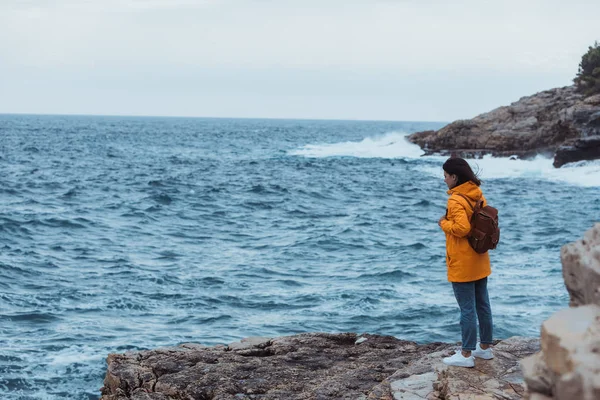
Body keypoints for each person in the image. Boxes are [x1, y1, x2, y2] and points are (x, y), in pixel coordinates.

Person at [438, 157, 494, 368]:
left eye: (445, 176)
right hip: (479, 258)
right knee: (483, 305)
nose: (444, 180)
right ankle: (485, 348)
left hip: (462, 261)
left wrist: (444, 223)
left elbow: (462, 228)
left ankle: (466, 353)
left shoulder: (455, 200)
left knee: (467, 309)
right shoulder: (477, 195)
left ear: (454, 177)